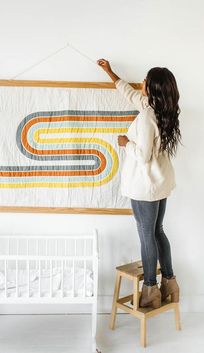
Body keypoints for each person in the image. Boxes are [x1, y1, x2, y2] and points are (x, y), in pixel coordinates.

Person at [97, 59, 181, 309]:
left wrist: (126, 143)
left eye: (145, 80)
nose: (141, 82)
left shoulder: (146, 117)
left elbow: (143, 156)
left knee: (147, 236)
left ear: (152, 88)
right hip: (160, 184)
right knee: (158, 232)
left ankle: (150, 291)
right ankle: (170, 284)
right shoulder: (161, 110)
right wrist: (110, 72)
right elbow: (131, 94)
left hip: (145, 187)